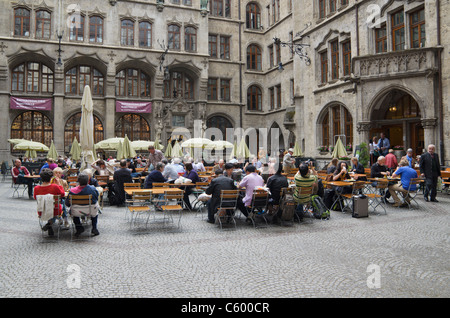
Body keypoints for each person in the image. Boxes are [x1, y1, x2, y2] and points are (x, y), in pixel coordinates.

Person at [33, 168, 66, 236]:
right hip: (55, 210)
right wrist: (59, 184)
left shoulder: (36, 188)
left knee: (49, 205)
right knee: (62, 203)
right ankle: (53, 223)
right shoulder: (55, 186)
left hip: (42, 210)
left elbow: (35, 197)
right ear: (51, 178)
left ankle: (49, 224)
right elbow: (62, 194)